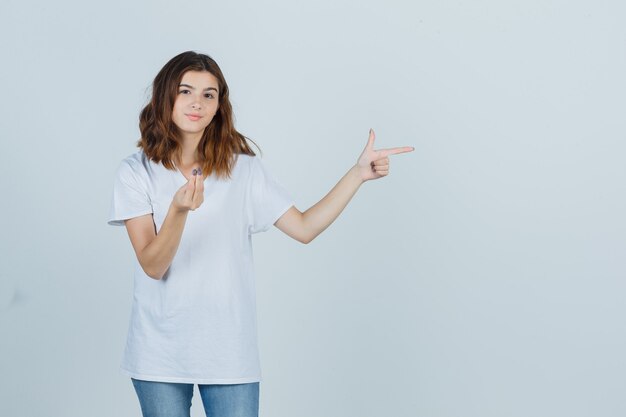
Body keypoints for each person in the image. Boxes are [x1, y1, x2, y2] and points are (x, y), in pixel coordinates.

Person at [108, 51, 414, 417]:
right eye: (186, 91)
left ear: (219, 105)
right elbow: (153, 265)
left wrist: (357, 175)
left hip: (229, 351)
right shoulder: (136, 172)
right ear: (165, 98)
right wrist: (178, 211)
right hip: (158, 352)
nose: (197, 103)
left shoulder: (244, 169)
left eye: (210, 94)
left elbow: (304, 228)